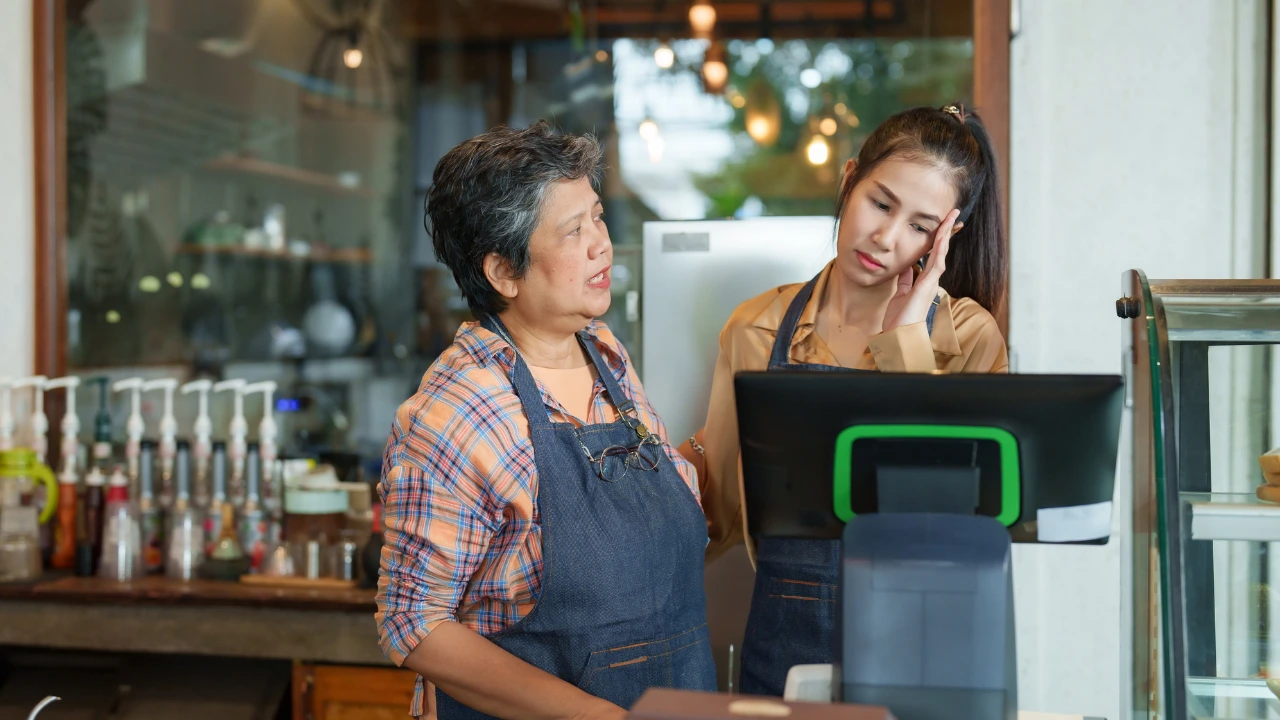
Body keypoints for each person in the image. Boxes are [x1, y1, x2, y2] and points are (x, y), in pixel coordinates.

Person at [377, 121, 716, 720]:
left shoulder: (605, 357)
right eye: (572, 231)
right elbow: (413, 621)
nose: (602, 245)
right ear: (503, 272)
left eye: (598, 217)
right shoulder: (460, 411)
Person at [680, 104, 1010, 697]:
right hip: (781, 644)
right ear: (849, 178)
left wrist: (905, 338)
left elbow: (946, 524)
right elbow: (722, 511)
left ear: (947, 236)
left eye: (919, 225)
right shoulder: (757, 327)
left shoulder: (969, 339)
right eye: (880, 204)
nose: (886, 238)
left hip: (925, 643)